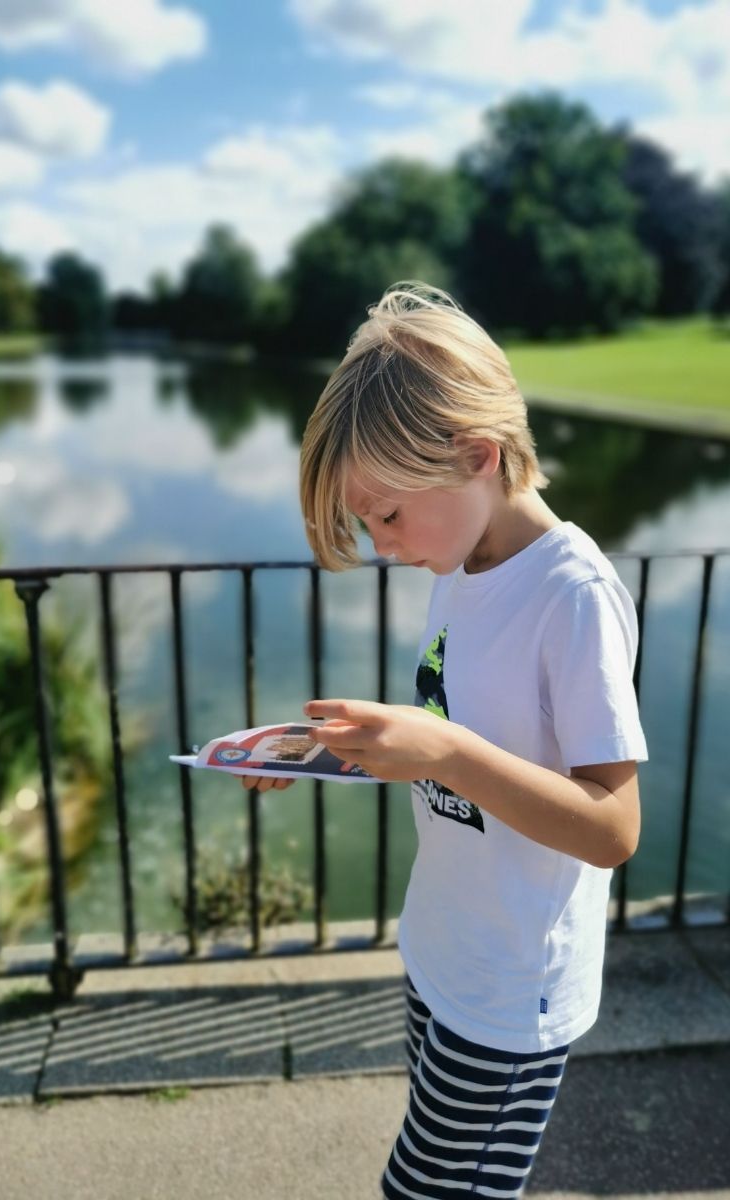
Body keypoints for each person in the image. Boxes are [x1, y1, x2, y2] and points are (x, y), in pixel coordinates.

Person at [241, 281, 648, 1198]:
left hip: (509, 993)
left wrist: (443, 751)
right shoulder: (464, 560)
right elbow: (467, 732)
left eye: (387, 514)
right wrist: (336, 749)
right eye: (365, 521)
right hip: (442, 950)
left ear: (477, 455)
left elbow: (613, 824)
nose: (381, 545)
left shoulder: (571, 596)